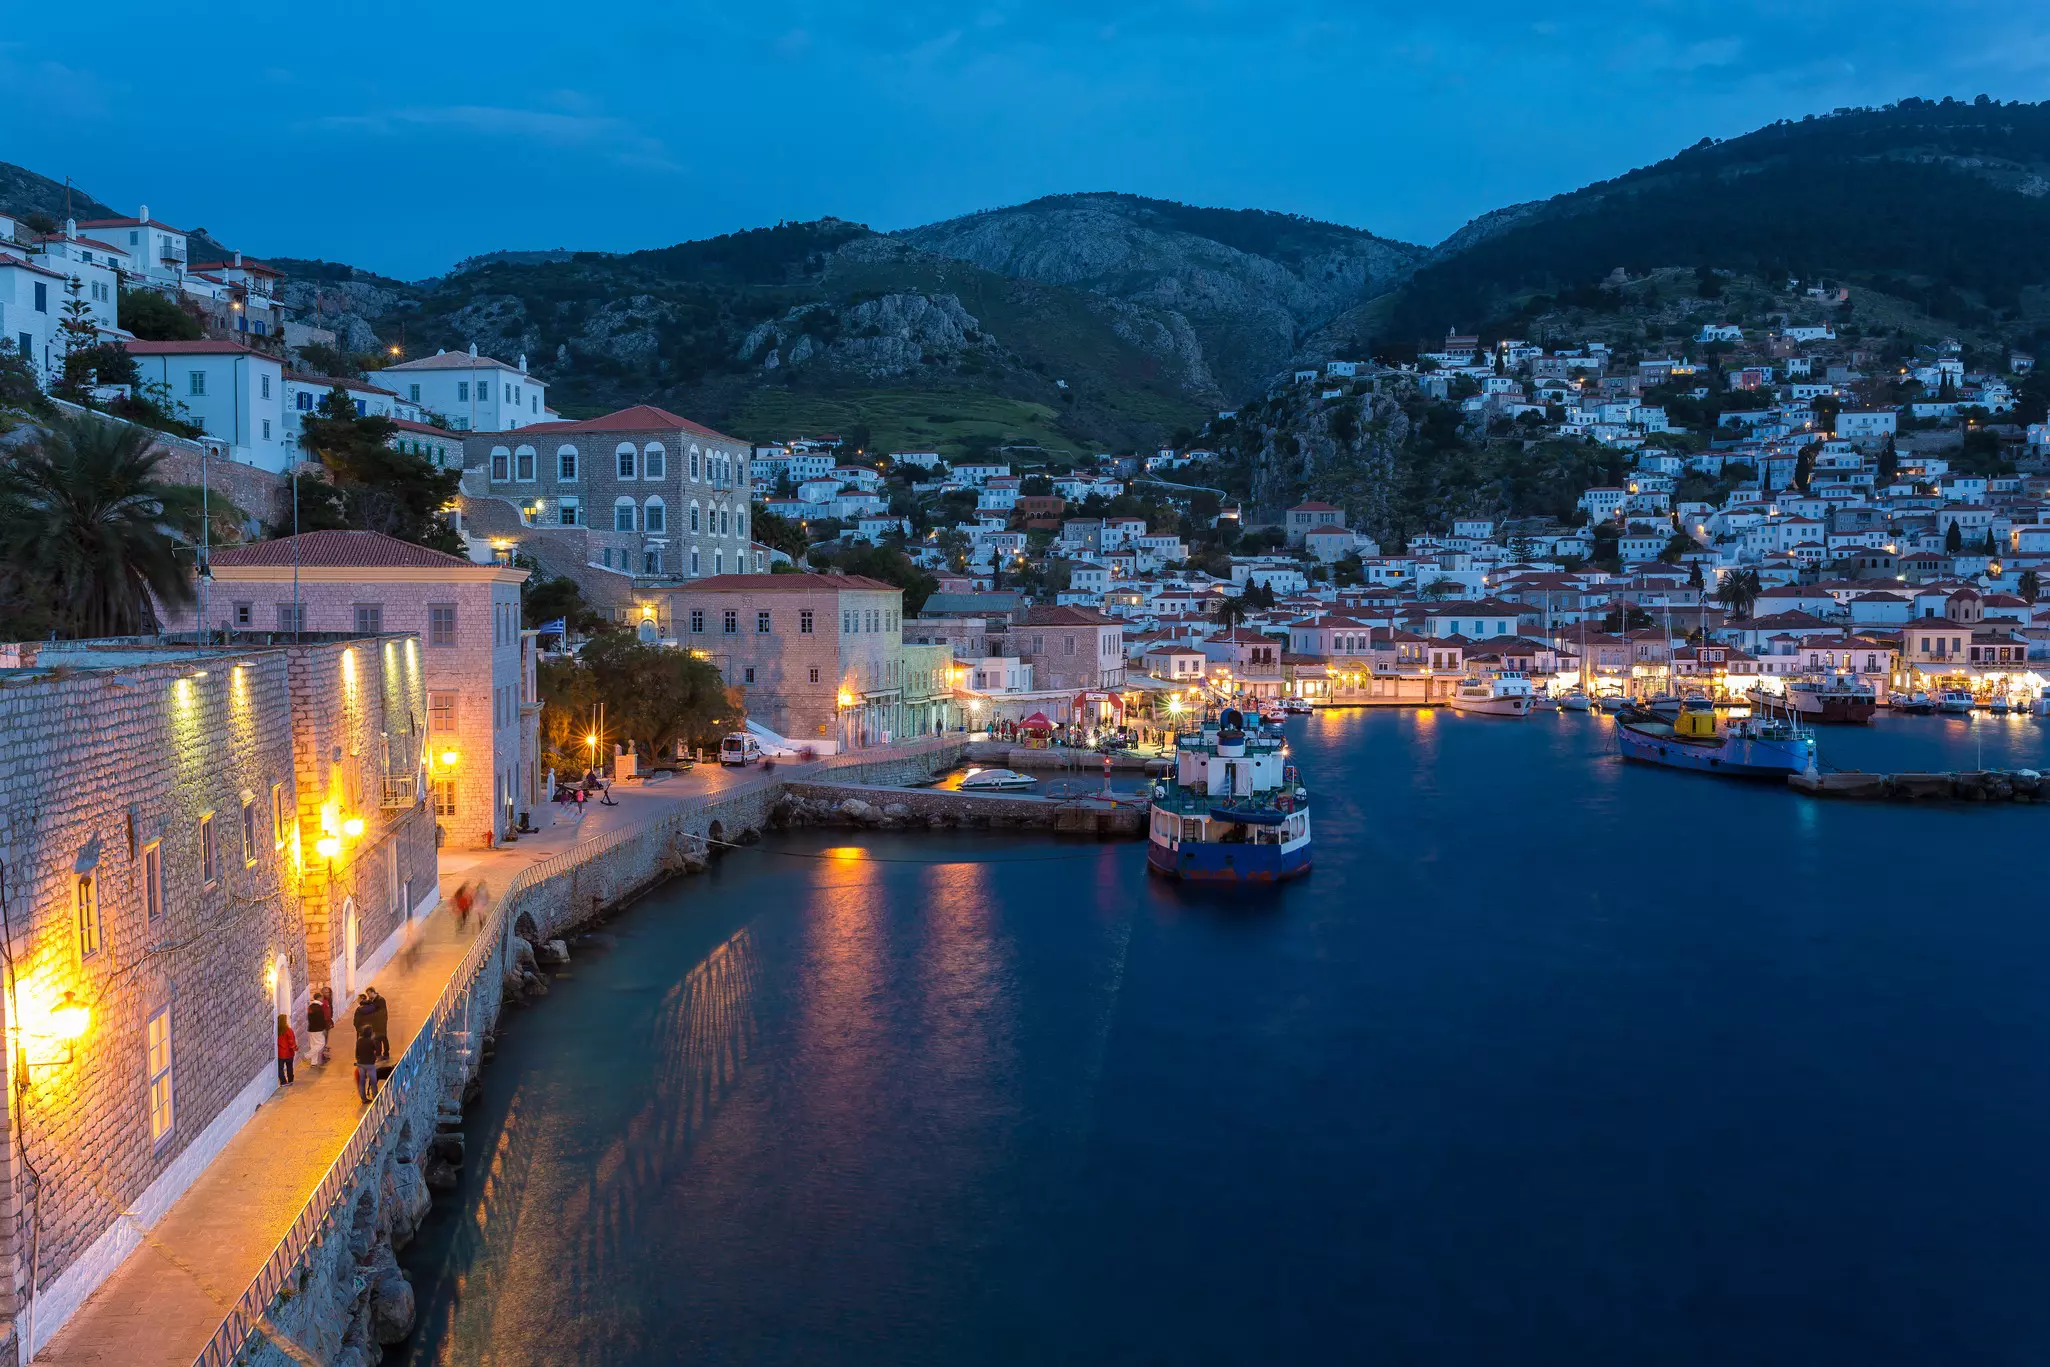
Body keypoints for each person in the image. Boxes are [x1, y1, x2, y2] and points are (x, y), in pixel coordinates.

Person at [354, 1024, 380, 1102]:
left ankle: (363, 1099)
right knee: (373, 1081)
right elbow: (377, 1050)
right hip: (370, 1064)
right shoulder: (371, 1041)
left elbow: (356, 1052)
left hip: (360, 1064)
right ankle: (375, 1097)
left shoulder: (359, 1040)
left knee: (362, 1081)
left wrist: (358, 1059)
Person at [364, 986, 390, 1061]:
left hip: (381, 1022)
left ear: (373, 992)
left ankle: (386, 1054)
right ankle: (378, 1054)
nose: (368, 996)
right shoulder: (372, 1000)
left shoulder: (380, 1000)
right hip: (375, 1023)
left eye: (369, 994)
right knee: (377, 1039)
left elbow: (381, 1012)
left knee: (383, 1038)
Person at [306, 991, 330, 1066]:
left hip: (311, 1028)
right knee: (321, 1044)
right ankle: (307, 1055)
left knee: (314, 1045)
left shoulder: (311, 1006)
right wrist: (324, 1028)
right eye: (322, 997)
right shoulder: (319, 1007)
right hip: (318, 1029)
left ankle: (314, 1062)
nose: (323, 998)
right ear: (319, 998)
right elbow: (321, 1019)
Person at [275, 1014, 297, 1085]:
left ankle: (283, 1081)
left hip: (280, 1053)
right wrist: (294, 1047)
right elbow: (291, 1041)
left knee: (280, 1068)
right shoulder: (288, 1030)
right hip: (289, 1053)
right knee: (289, 1067)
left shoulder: (276, 1031)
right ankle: (290, 1080)